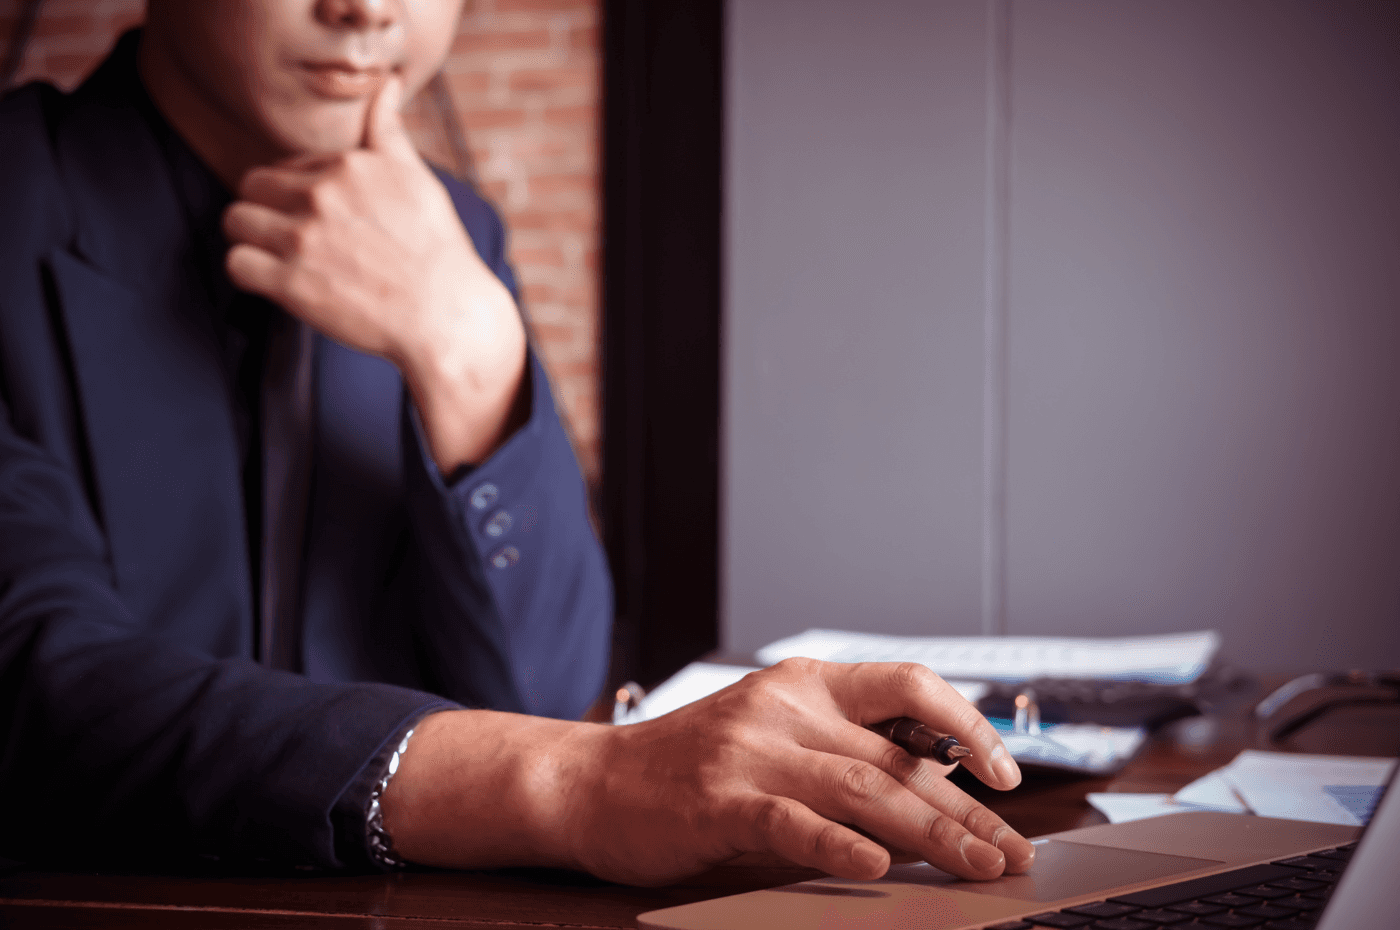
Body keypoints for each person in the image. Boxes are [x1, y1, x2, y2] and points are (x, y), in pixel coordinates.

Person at [0, 0, 1036, 886]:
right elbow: (40, 690)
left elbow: (541, 687)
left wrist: (468, 350)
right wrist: (578, 779)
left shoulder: (451, 235)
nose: (367, 8)